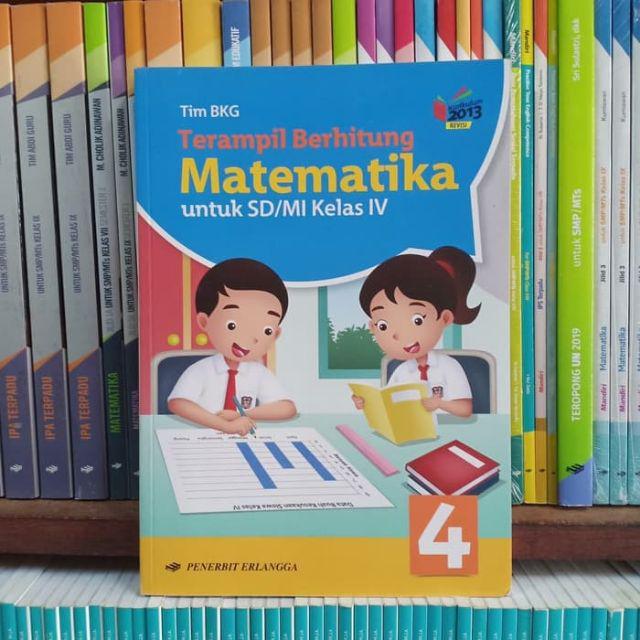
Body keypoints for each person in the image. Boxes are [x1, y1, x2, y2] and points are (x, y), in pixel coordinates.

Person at [168, 258, 297, 435]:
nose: (249, 338)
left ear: (275, 334)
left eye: (266, 330)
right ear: (205, 322)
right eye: (232, 325)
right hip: (202, 436)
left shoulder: (258, 372)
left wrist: (241, 414)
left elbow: (287, 408)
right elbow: (178, 403)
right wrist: (225, 426)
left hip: (241, 436)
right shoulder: (201, 369)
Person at [353, 246, 480, 418]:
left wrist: (440, 404)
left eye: (417, 320)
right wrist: (365, 402)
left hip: (449, 428)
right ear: (373, 328)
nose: (398, 335)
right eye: (383, 326)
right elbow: (387, 405)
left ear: (445, 318)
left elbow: (465, 410)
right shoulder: (402, 371)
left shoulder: (448, 366)